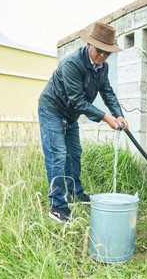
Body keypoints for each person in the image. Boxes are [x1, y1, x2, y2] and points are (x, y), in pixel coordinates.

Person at [38, 22, 129, 223]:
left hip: (70, 115)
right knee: (58, 156)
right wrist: (106, 118)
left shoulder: (102, 67)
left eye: (108, 53)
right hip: (52, 110)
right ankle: (57, 206)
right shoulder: (72, 64)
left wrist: (118, 114)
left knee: (75, 154)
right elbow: (77, 100)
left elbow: (107, 92)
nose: (103, 56)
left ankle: (74, 193)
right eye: (100, 50)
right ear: (89, 45)